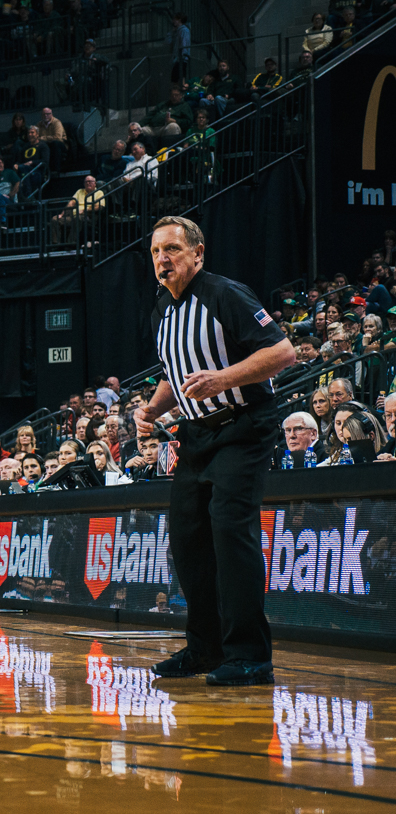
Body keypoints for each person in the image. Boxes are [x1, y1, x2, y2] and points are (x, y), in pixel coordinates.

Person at [137, 216, 295, 687]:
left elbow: (284, 353)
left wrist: (223, 379)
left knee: (230, 530)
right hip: (197, 434)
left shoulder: (226, 293)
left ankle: (250, 656)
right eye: (155, 253)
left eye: (171, 249)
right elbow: (176, 375)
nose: (162, 260)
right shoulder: (161, 310)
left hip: (244, 425)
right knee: (187, 541)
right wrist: (151, 409)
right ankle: (204, 650)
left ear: (198, 254)